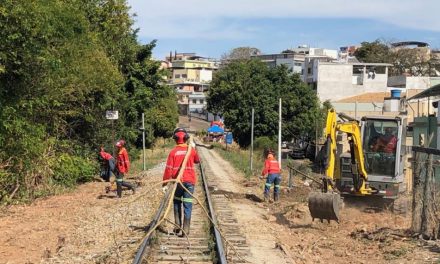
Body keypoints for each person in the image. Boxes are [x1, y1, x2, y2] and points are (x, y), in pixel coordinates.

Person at [163, 128, 200, 236]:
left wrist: (164, 183)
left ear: (175, 139)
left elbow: (168, 169)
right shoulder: (190, 150)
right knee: (188, 204)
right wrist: (194, 148)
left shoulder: (173, 152)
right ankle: (186, 229)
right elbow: (197, 161)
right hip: (189, 182)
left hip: (178, 182)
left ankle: (177, 226)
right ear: (186, 139)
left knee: (177, 202)